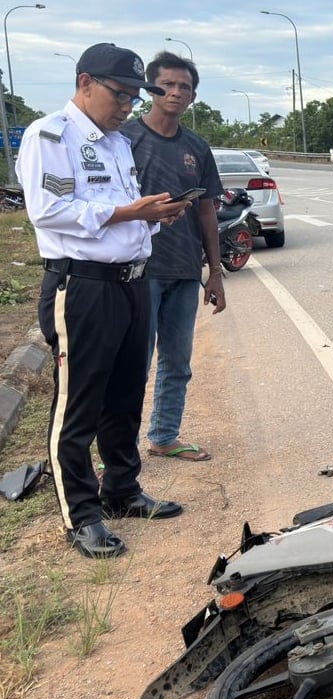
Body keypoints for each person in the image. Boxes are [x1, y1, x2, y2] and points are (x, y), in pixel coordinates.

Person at [16, 43, 187, 559]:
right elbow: (49, 211)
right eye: (121, 94)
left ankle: (122, 489)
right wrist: (131, 211)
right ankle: (81, 514)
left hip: (132, 281)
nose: (128, 105)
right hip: (84, 287)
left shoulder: (114, 142)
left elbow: (119, 209)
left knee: (126, 394)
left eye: (135, 97)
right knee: (79, 402)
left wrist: (154, 215)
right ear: (86, 82)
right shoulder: (50, 134)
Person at [121, 51, 225, 463]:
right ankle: (119, 451)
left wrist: (214, 272)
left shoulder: (196, 147)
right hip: (136, 269)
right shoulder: (124, 139)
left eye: (184, 86)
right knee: (132, 364)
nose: (176, 92)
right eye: (167, 84)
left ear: (193, 96)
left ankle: (164, 436)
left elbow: (206, 210)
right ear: (151, 88)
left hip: (184, 269)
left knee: (177, 361)